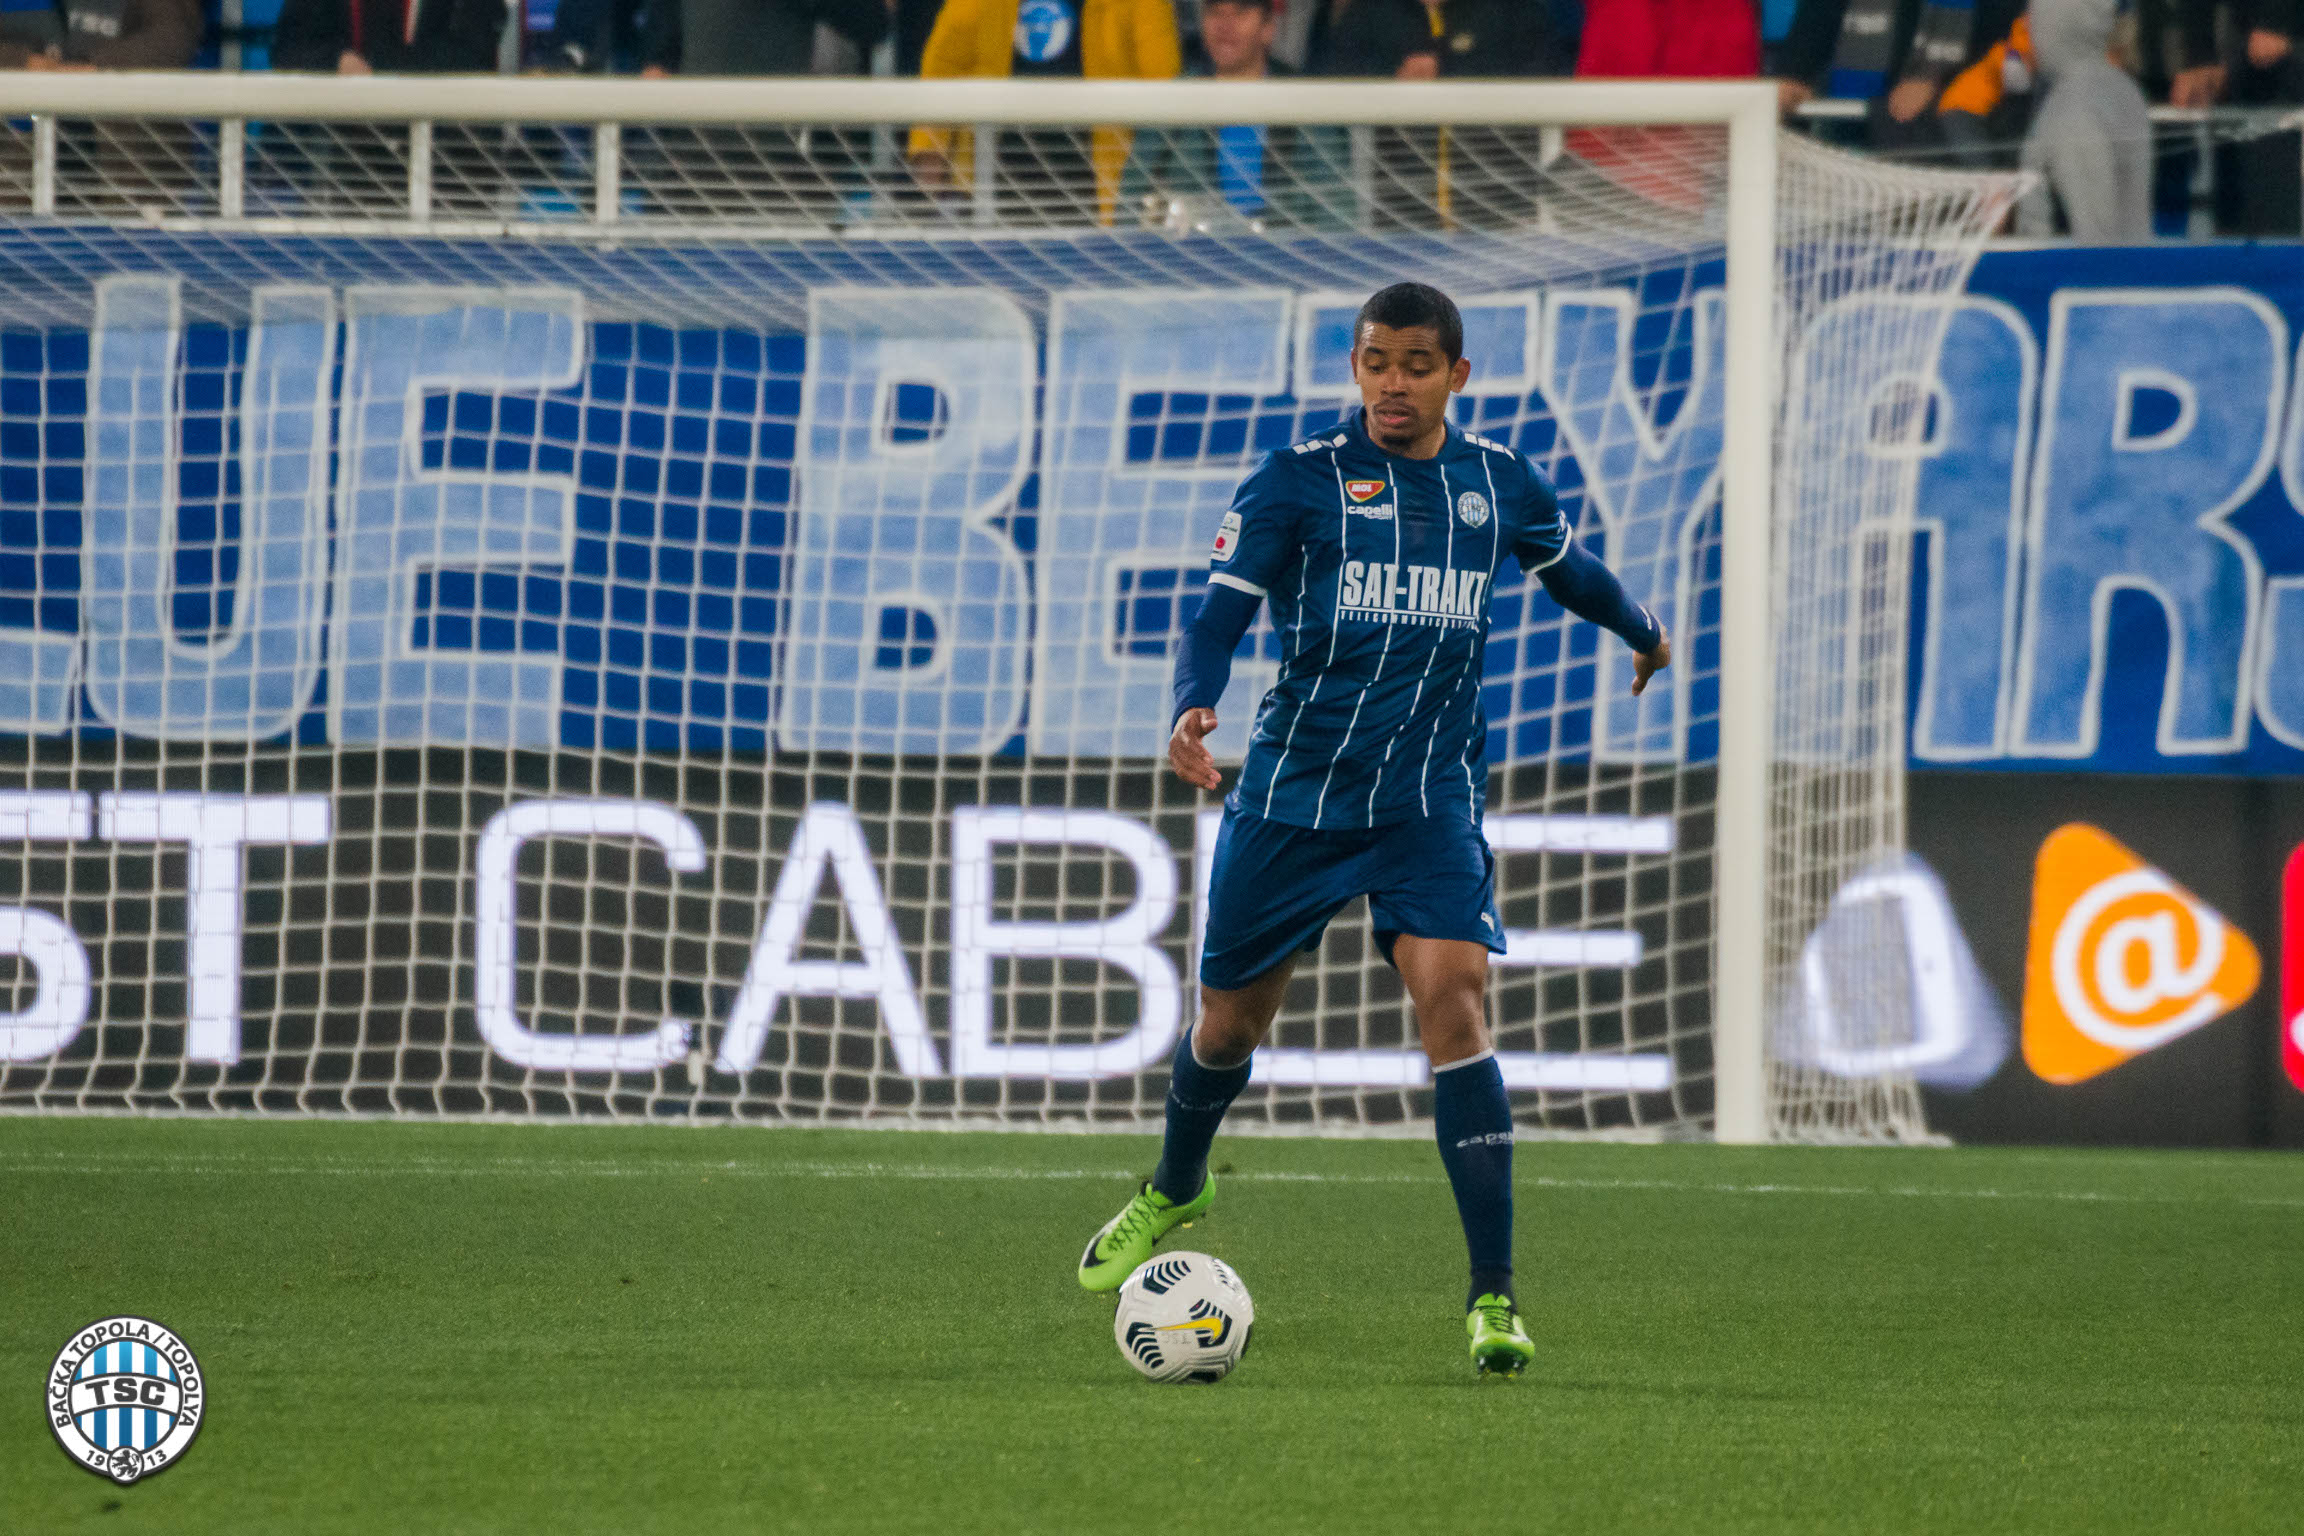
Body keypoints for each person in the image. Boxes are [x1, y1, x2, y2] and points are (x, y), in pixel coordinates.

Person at [1072, 283, 1671, 1379]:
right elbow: (1217, 617)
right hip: (1295, 798)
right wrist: (1191, 704)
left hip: (1427, 803)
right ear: (1356, 368)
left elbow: (1565, 570)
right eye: (1374, 362)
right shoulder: (1299, 479)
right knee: (1226, 1031)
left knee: (1457, 1004)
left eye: (1415, 365)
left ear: (1457, 376)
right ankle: (1176, 1184)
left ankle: (1494, 1300)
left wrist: (1641, 626)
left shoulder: (1496, 484)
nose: (1392, 384)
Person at [909, 0, 1181, 223]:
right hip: (999, 173)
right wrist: (929, 151)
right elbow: (943, 63)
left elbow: (1163, 78)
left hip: (1099, 176)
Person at [1316, 0, 1571, 228]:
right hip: (1401, 222)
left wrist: (1449, 72)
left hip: (1502, 216)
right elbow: (1332, 82)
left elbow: (1545, 77)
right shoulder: (1371, 11)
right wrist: (1393, 77)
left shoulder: (1514, 9)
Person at [1119, 0, 1351, 228]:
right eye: (1214, 12)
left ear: (1268, 28)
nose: (1224, 25)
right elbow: (1129, 201)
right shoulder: (1174, 104)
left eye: (1240, 12)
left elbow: (1337, 214)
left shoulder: (1305, 106)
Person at [2017, 0, 2153, 238]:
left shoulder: (2074, 106)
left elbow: (2095, 234)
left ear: (2060, 26)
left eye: (2035, 18)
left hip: (2086, 271)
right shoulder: (2124, 89)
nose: (2027, 28)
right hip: (2136, 267)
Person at [271, 0, 507, 72]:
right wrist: (336, 62)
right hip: (354, 159)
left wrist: (377, 68)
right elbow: (287, 50)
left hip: (450, 162)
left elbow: (475, 55)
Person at [0, 0, 198, 69]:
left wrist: (91, 69)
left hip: (130, 147)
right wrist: (24, 61)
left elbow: (174, 37)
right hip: (43, 143)